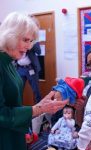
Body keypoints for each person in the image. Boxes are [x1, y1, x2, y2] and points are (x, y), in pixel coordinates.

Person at [0, 12, 68, 150]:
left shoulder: (9, 62)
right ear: (9, 36)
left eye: (31, 41)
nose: (29, 47)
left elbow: (13, 103)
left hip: (14, 133)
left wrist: (38, 107)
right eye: (26, 40)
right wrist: (37, 109)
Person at [16, 39, 42, 103]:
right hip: (20, 69)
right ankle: (19, 108)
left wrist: (31, 43)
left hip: (31, 69)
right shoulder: (17, 39)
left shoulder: (33, 40)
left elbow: (39, 52)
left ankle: (39, 109)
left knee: (36, 90)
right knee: (18, 90)